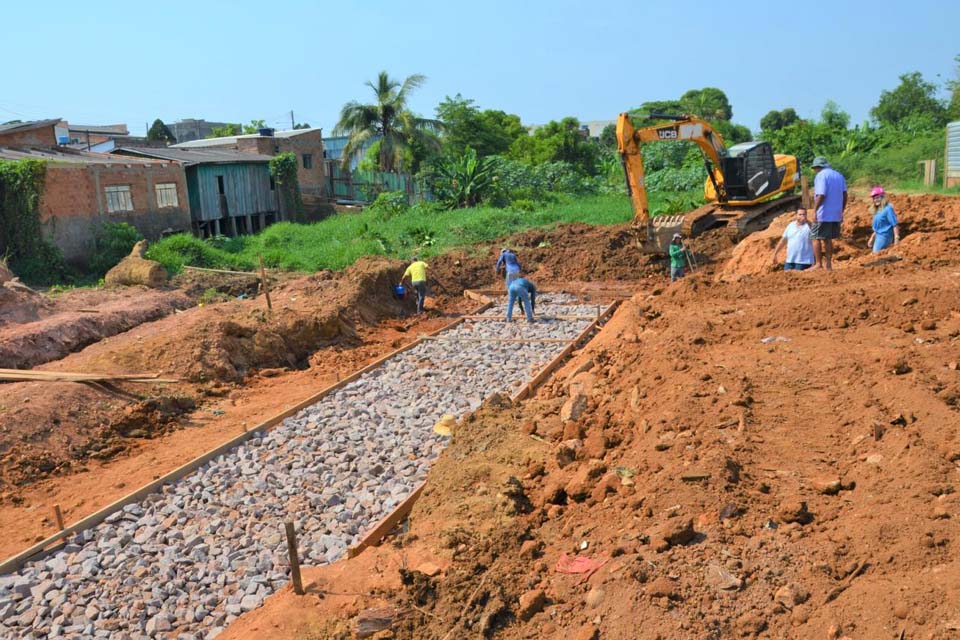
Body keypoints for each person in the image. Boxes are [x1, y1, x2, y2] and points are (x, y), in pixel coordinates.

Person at [810, 156, 847, 271]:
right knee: (828, 239)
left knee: (815, 237)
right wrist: (841, 210)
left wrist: (815, 210)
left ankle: (818, 264)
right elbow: (845, 195)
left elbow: (821, 194)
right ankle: (829, 265)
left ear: (817, 167)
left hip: (823, 212)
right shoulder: (839, 175)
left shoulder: (821, 176)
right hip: (835, 213)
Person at [866, 186, 900, 253]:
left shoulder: (888, 209)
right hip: (879, 236)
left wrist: (896, 238)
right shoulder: (877, 210)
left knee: (876, 254)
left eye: (878, 197)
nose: (876, 200)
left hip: (885, 236)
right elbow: (878, 228)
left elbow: (895, 224)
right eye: (874, 198)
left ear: (882, 197)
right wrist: (872, 239)